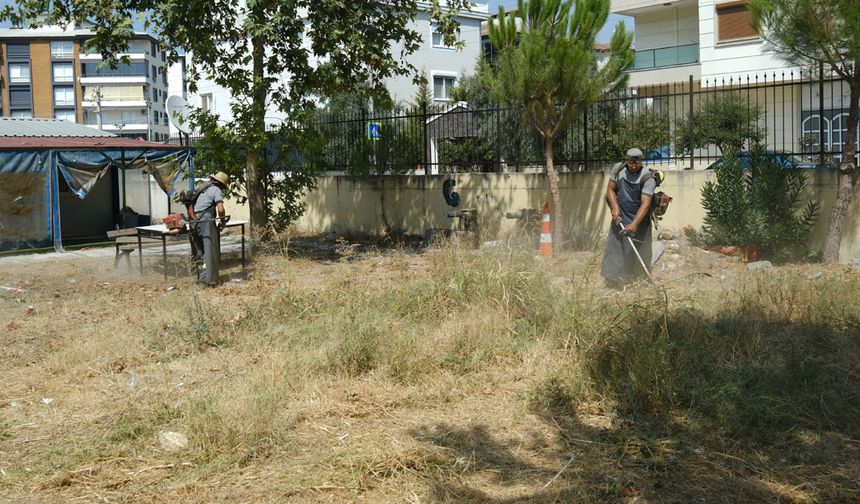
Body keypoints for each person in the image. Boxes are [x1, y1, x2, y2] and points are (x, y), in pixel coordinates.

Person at [601, 148, 655, 287]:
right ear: (626, 160)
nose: (634, 165)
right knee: (616, 247)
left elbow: (645, 205)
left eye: (637, 162)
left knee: (640, 250)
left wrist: (635, 224)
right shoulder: (618, 169)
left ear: (641, 161)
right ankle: (613, 280)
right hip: (620, 214)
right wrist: (615, 208)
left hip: (640, 219)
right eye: (631, 162)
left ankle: (639, 282)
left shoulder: (647, 178)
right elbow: (611, 189)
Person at [190, 171, 230, 287]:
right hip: (206, 221)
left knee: (200, 252)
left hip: (194, 222)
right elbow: (221, 209)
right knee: (210, 251)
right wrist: (222, 221)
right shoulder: (215, 190)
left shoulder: (201, 187)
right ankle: (210, 280)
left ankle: (201, 278)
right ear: (221, 184)